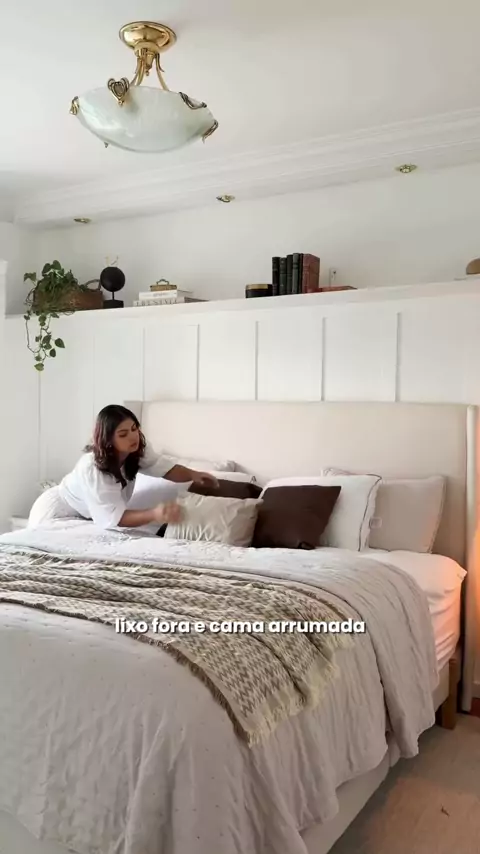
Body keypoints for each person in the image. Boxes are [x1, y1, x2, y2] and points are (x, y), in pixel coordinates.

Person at [28, 404, 219, 530]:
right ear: (108, 439)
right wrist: (155, 514)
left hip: (88, 518)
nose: (133, 436)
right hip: (58, 511)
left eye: (134, 429)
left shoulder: (136, 450)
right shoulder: (93, 467)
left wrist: (194, 475)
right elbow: (114, 518)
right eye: (123, 434)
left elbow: (165, 469)